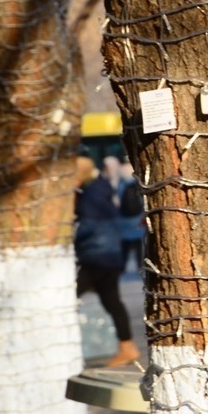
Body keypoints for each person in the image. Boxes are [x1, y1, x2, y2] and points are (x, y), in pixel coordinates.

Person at [74, 156, 140, 367]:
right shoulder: (99, 189)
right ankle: (127, 346)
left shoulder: (91, 194)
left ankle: (62, 348)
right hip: (109, 254)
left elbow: (88, 225)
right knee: (111, 301)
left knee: (67, 297)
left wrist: (66, 235)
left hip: (98, 255)